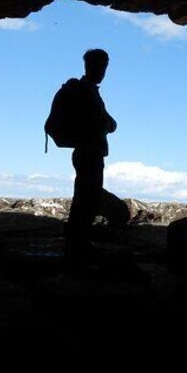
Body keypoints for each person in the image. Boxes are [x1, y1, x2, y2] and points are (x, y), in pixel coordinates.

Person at [65, 48, 117, 264]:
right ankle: (78, 243)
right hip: (90, 153)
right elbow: (106, 123)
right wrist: (107, 124)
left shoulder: (87, 90)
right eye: (101, 66)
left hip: (85, 152)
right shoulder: (88, 92)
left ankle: (77, 241)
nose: (103, 71)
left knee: (85, 196)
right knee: (87, 198)